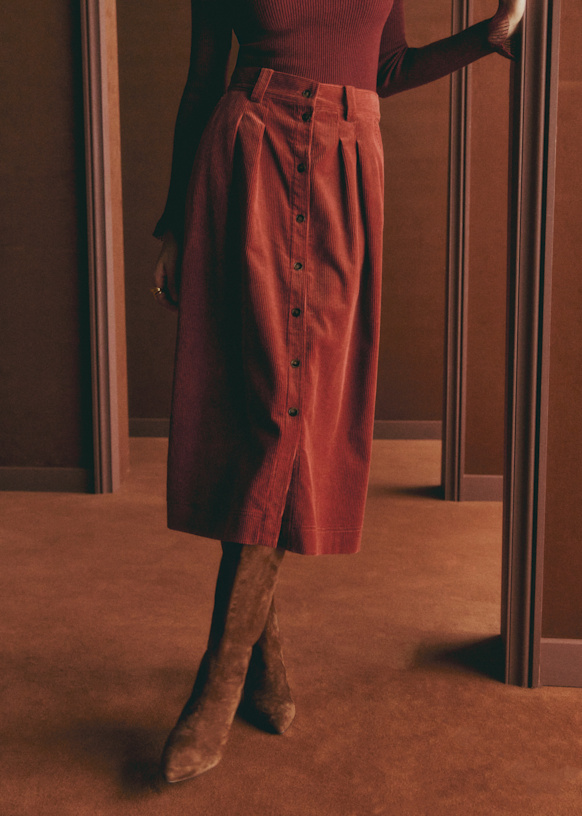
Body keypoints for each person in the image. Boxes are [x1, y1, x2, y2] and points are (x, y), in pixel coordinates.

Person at [150, 0, 526, 784]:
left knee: (294, 412)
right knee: (265, 412)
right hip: (247, 160)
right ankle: (223, 676)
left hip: (344, 170)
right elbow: (198, 84)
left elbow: (385, 68)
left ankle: (252, 655)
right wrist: (172, 224)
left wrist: (484, 39)